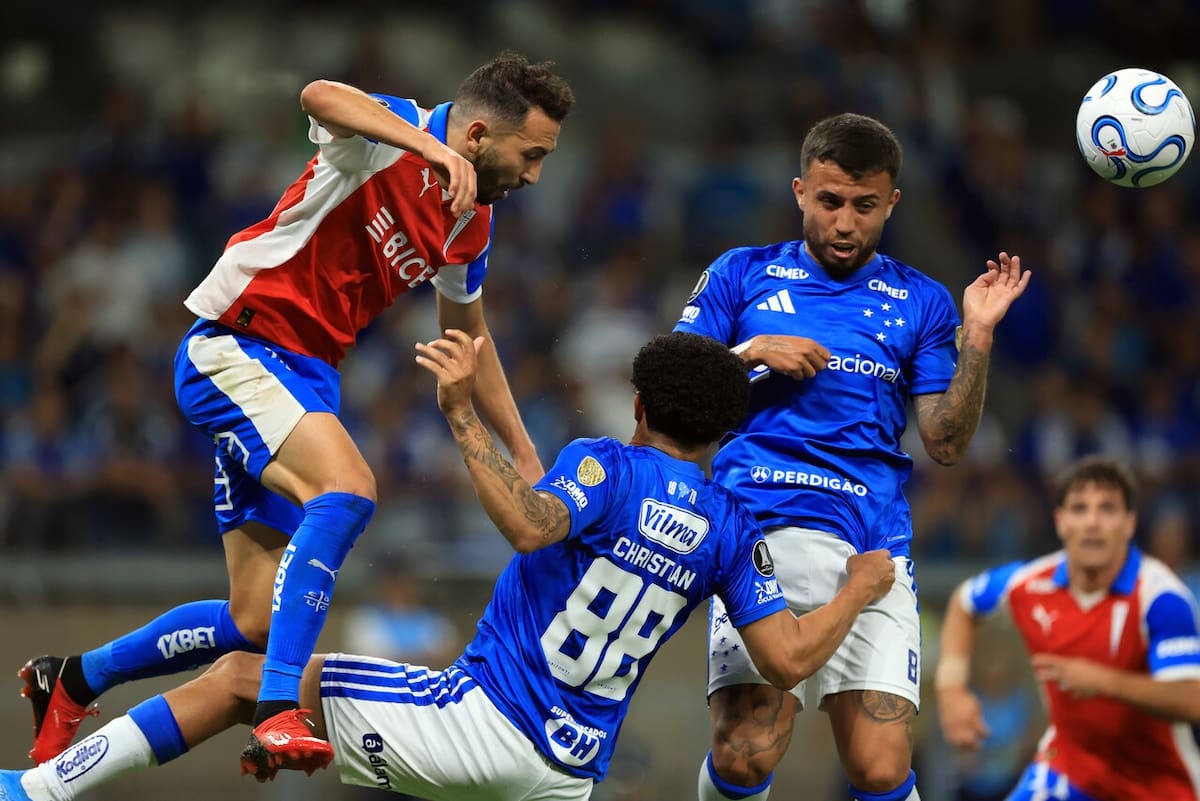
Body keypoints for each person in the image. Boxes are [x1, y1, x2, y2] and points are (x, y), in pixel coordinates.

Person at [0, 331, 897, 801]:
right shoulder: (732, 527)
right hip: (571, 771)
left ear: (635, 405)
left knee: (240, 673)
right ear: (724, 432)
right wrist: (858, 587)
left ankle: (36, 787)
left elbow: (529, 522)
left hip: (485, 721)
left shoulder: (608, 465)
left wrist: (458, 412)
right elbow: (783, 659)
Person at [17, 51, 575, 777]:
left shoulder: (472, 226)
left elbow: (468, 331)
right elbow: (317, 92)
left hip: (305, 379)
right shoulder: (393, 130)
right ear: (475, 135)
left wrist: (526, 454)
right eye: (530, 154)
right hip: (238, 344)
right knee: (348, 491)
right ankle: (281, 706)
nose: (535, 174)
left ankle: (74, 678)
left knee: (252, 618)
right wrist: (428, 148)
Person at [673, 111, 1031, 801]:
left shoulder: (922, 302)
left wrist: (978, 338)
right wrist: (749, 353)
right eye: (830, 201)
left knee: (880, 767)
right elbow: (666, 388)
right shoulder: (740, 274)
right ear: (801, 190)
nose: (845, 222)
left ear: (891, 203)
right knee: (744, 754)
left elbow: (946, 442)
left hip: (867, 548)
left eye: (865, 206)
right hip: (757, 539)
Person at [936, 455, 1200, 801]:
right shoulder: (1029, 583)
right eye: (1079, 508)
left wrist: (1105, 681)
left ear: (1129, 523)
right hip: (1069, 770)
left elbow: (1191, 699)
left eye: (1107, 509)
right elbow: (964, 603)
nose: (1092, 522)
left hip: (1158, 784)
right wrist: (951, 688)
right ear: (1060, 521)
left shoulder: (1161, 597)